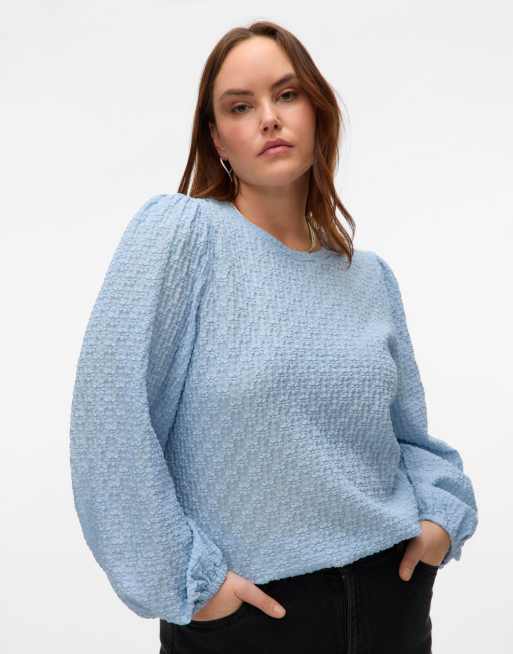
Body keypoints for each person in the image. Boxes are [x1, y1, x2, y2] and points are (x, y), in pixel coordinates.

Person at [69, 20, 479, 654]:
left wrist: (438, 521)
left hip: (391, 601)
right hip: (250, 619)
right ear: (217, 138)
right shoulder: (183, 237)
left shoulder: (368, 277)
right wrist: (191, 585)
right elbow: (109, 421)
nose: (269, 118)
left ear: (318, 111)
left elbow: (410, 439)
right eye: (240, 106)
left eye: (287, 95)